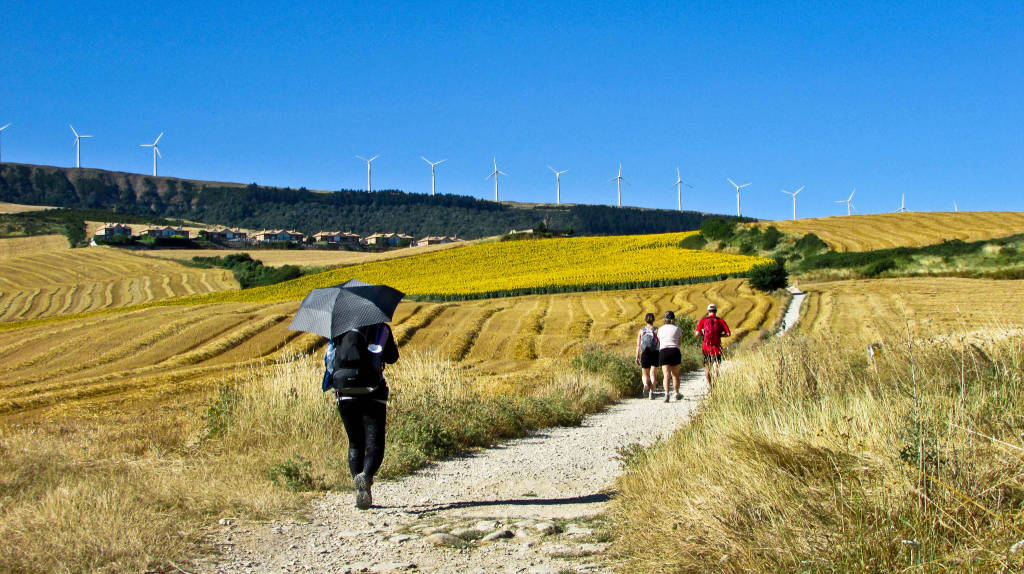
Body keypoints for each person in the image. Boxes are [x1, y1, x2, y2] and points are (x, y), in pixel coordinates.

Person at [323, 322, 399, 509]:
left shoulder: (338, 329)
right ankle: (366, 475)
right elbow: (392, 357)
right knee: (375, 441)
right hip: (372, 390)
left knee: (355, 442)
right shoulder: (380, 328)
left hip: (344, 391)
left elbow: (329, 359)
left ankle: (359, 487)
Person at [696, 303, 731, 390]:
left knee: (707, 366)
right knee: (716, 366)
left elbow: (697, 334)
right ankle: (715, 385)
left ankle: (709, 385)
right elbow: (728, 334)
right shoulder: (720, 321)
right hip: (717, 347)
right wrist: (720, 335)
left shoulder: (703, 320)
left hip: (706, 347)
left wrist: (702, 335)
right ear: (716, 311)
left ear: (708, 311)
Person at [657, 311, 683, 403]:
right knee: (675, 375)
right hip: (674, 350)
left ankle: (667, 394)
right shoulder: (678, 329)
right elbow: (679, 343)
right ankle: (676, 393)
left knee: (666, 375)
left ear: (665, 319)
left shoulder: (660, 329)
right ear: (673, 319)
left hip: (664, 351)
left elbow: (659, 341)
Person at [634, 313, 660, 399]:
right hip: (655, 353)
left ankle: (645, 385)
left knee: (645, 373)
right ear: (653, 320)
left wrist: (637, 356)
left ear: (645, 320)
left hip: (645, 353)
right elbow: (660, 342)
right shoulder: (656, 330)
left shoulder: (641, 331)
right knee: (653, 374)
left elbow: (638, 345)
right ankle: (651, 393)